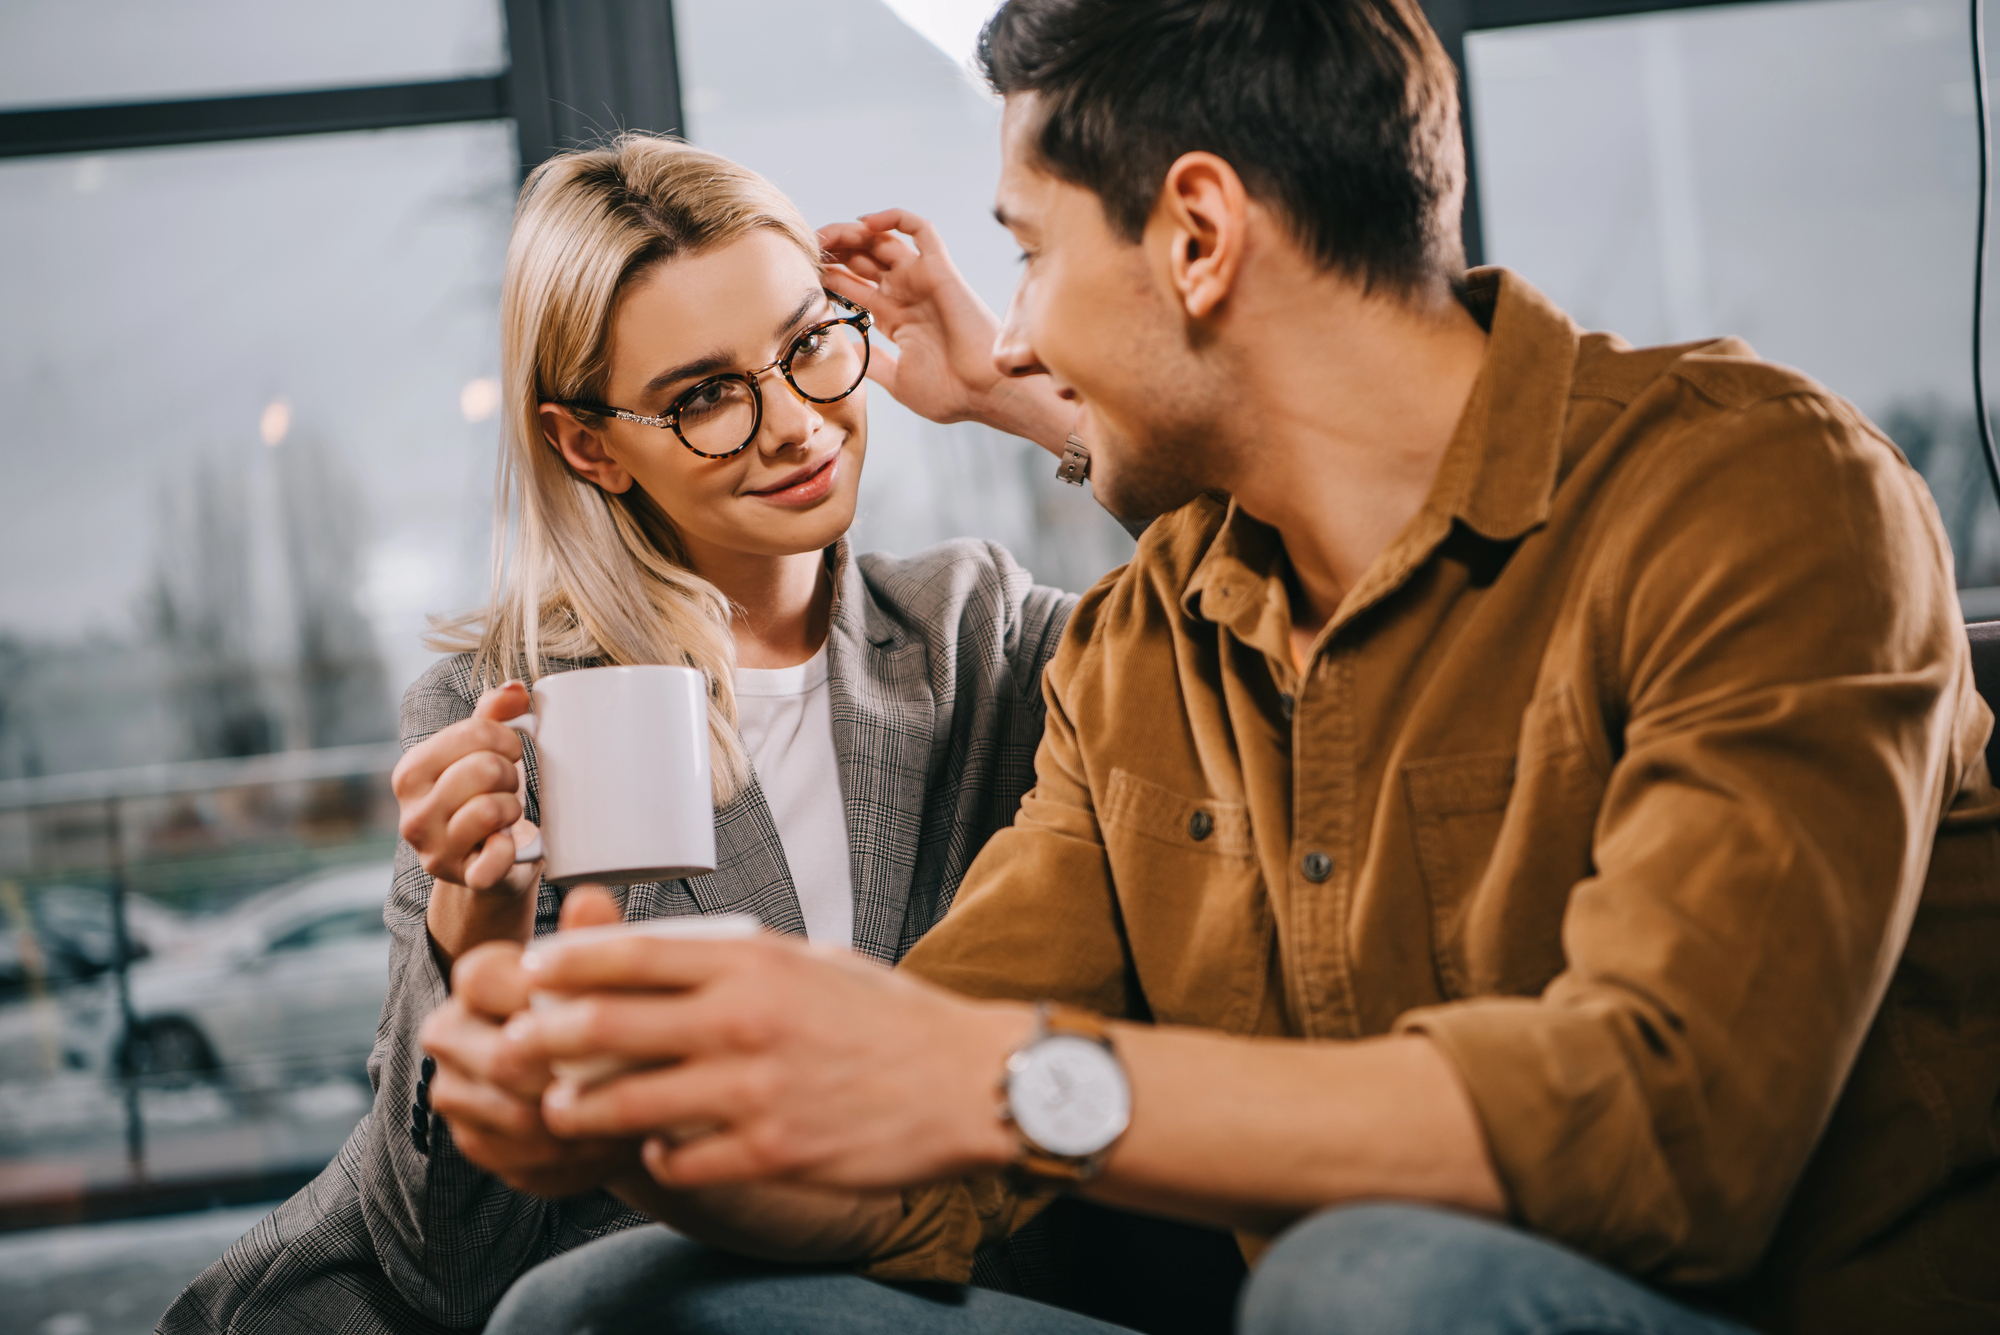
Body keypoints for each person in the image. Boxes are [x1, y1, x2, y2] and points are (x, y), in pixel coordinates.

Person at [450, 2, 2000, 1334]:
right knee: (594, 1309)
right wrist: (642, 1118)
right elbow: (923, 1150)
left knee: (1368, 1280)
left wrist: (997, 1070)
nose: (1017, 340)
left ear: (1196, 237)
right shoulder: (1140, 656)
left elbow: (1676, 1134)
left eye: (1030, 251)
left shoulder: (1760, 495)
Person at [159, 134, 1147, 1335]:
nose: (791, 424)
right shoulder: (502, 716)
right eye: (704, 397)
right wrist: (473, 950)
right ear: (587, 443)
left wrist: (1010, 392)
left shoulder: (977, 634)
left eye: (808, 344)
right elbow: (449, 1267)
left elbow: (1274, 588)